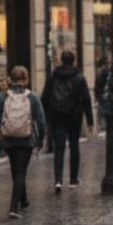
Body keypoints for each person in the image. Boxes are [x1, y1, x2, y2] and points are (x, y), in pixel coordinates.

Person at [0, 66, 46, 219]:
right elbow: (41, 120)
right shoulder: (32, 97)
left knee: (16, 170)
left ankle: (24, 200)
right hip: (26, 140)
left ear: (11, 79)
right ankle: (13, 206)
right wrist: (41, 138)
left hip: (9, 139)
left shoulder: (3, 97)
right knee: (20, 172)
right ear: (26, 80)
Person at [41, 51, 94, 193]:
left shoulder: (52, 77)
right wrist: (90, 120)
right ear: (73, 61)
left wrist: (49, 113)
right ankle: (73, 179)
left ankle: (58, 180)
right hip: (74, 116)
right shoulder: (79, 78)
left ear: (61, 60)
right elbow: (86, 100)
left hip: (57, 116)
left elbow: (45, 97)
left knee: (59, 148)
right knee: (74, 146)